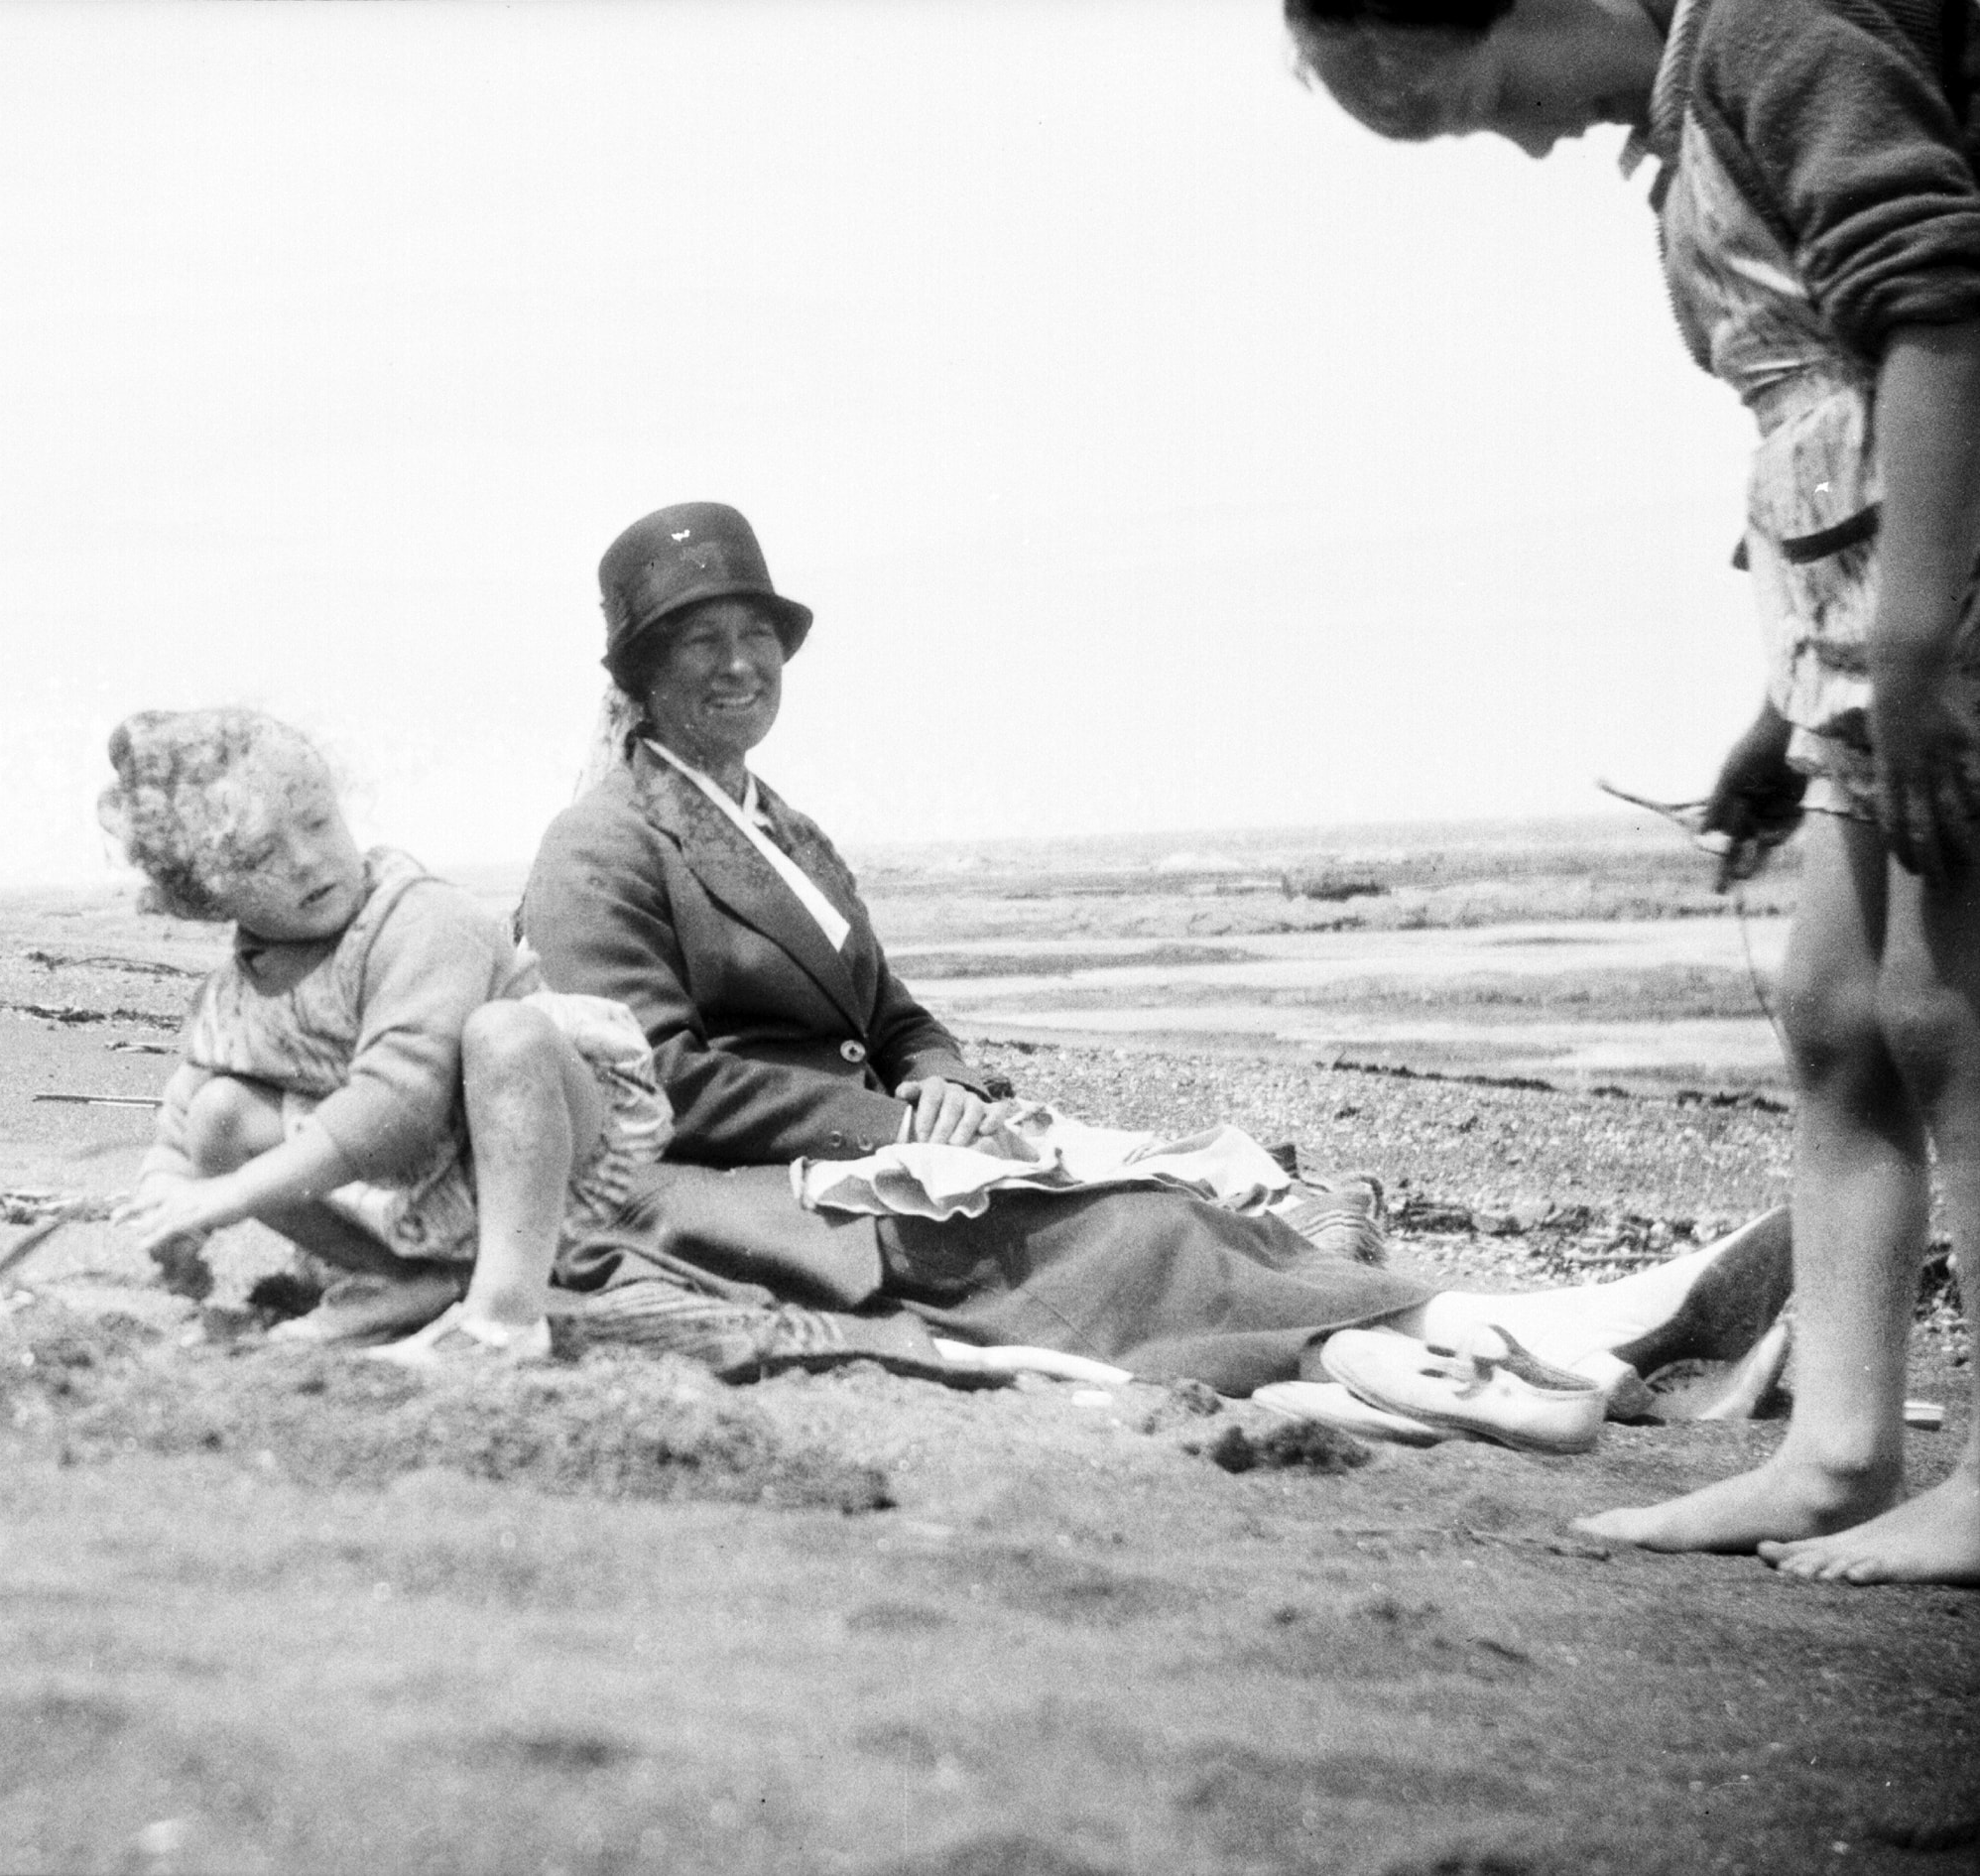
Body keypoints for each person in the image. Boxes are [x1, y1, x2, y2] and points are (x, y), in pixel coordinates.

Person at [521, 500, 1789, 1407]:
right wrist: (884, 1130)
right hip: (735, 1188)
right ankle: (1557, 1332)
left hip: (872, 1148)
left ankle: (1528, 1339)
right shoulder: (603, 839)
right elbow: (650, 1083)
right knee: (1125, 1231)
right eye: (701, 641)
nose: (741, 663)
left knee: (1199, 1195)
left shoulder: (776, 822)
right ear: (644, 672)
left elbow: (886, 1008)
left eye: (756, 634)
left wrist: (939, 1076)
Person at [1288, 0, 1980, 1583]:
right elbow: (1819, 426)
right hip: (1861, 626)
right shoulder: (1681, 114)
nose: (1529, 138)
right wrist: (1781, 706)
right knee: (1829, 1006)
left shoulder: (1772, 28)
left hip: (1944, 586)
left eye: (1484, 98)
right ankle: (1837, 1449)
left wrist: (1923, 646)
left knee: (1947, 1009)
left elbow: (1939, 315)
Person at [98, 706, 673, 1365]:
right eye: (260, 854)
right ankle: (406, 1282)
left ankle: (504, 1316)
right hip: (411, 1178)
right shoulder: (231, 997)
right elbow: (180, 1129)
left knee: (504, 1033)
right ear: (206, 891)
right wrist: (170, 1214)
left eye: (317, 822)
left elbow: (395, 1108)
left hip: (533, 1139)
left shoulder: (421, 918)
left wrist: (226, 1197)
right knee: (216, 1115)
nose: (308, 860)